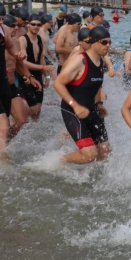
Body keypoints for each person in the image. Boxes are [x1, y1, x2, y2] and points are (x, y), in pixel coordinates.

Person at [54, 26, 112, 165]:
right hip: (73, 110)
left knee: (105, 151)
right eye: (104, 42)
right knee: (89, 155)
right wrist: (76, 106)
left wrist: (99, 104)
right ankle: (59, 161)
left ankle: (92, 181)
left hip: (91, 109)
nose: (108, 46)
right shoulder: (80, 60)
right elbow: (58, 83)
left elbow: (96, 85)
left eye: (110, 42)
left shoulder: (100, 61)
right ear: (93, 42)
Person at [0, 2, 38, 161]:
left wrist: (17, 55)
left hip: (3, 82)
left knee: (1, 126)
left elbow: (9, 47)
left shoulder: (2, 30)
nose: (1, 22)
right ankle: (3, 166)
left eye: (3, 19)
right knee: (3, 126)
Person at [18, 14, 52, 121]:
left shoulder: (40, 39)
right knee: (33, 108)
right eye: (33, 24)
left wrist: (47, 77)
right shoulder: (22, 39)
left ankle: (32, 134)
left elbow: (41, 58)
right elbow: (23, 62)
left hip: (38, 75)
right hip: (26, 75)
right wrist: (43, 67)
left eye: (38, 25)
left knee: (38, 109)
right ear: (28, 25)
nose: (35, 27)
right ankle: (17, 117)